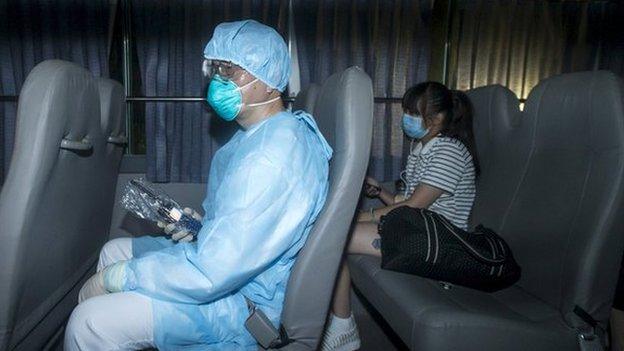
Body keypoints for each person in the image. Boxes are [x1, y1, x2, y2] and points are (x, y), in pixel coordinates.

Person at [64, 19, 332, 350]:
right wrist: (202, 228)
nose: (218, 81)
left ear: (270, 83)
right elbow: (243, 230)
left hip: (242, 305)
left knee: (88, 323)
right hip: (230, 274)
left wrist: (122, 278)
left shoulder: (272, 155)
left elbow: (211, 273)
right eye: (216, 70)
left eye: (231, 72)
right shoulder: (258, 137)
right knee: (113, 251)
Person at [320, 82, 479, 351]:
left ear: (438, 118)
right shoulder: (423, 148)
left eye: (414, 113)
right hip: (419, 227)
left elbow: (414, 206)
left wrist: (356, 217)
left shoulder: (449, 151)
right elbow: (405, 203)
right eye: (406, 111)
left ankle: (343, 328)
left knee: (338, 237)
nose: (407, 118)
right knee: (337, 233)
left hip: (441, 240)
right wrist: (380, 190)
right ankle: (341, 324)